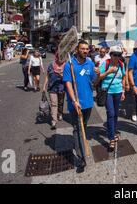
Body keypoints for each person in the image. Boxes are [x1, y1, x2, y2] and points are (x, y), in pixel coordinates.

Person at [63, 40, 100, 173]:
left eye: (86, 49)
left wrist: (99, 73)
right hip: (76, 104)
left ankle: (79, 145)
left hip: (88, 102)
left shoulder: (90, 63)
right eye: (82, 49)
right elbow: (68, 83)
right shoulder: (70, 65)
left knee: (83, 127)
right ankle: (81, 158)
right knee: (78, 128)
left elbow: (95, 82)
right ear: (77, 50)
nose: (85, 51)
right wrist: (74, 101)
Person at [99, 46, 127, 151]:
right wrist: (108, 72)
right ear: (110, 54)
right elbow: (99, 77)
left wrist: (123, 91)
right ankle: (111, 138)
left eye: (119, 55)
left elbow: (123, 77)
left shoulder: (121, 64)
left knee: (115, 114)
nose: (117, 57)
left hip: (118, 91)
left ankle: (113, 131)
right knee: (110, 113)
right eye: (115, 54)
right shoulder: (105, 63)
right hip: (107, 92)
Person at [43, 52, 66, 130]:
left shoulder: (66, 66)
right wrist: (44, 86)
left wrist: (61, 75)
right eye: (58, 57)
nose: (60, 59)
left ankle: (60, 113)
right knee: (54, 104)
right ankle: (54, 121)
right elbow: (47, 76)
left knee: (60, 102)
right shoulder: (51, 65)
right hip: (52, 88)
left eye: (61, 57)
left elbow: (68, 79)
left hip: (62, 88)